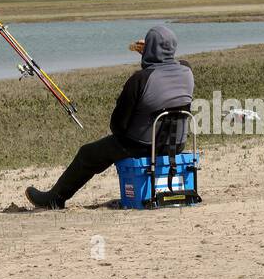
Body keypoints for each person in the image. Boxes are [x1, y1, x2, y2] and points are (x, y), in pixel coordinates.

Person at [26, 24, 194, 210]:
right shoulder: (187, 70)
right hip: (176, 144)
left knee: (88, 154)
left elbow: (118, 125)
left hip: (141, 146)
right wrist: (151, 56)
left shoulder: (140, 79)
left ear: (150, 49)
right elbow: (166, 71)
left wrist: (147, 59)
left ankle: (54, 199)